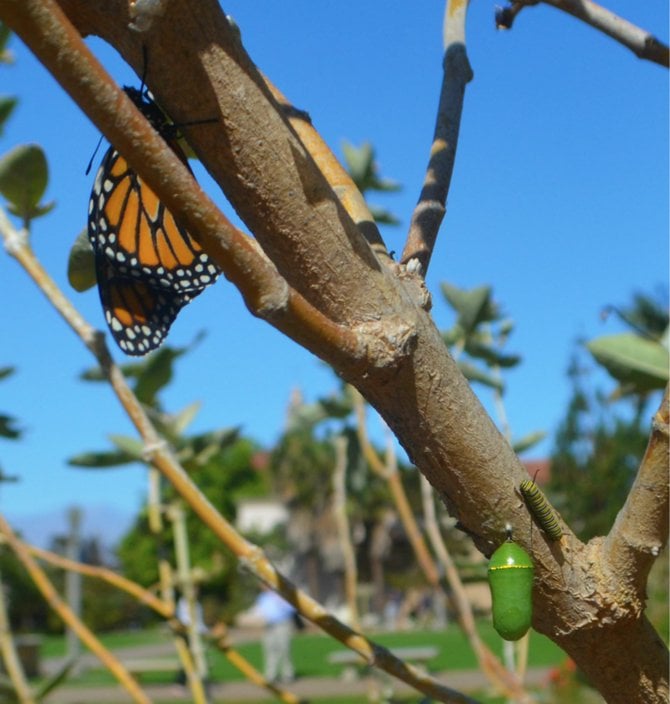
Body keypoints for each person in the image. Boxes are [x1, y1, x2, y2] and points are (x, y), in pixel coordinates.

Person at [253, 585, 296, 684]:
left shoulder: (281, 596)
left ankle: (288, 674)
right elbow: (259, 611)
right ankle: (271, 674)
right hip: (268, 625)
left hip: (282, 624)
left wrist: (280, 602)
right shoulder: (262, 597)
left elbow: (291, 609)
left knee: (284, 649)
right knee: (269, 649)